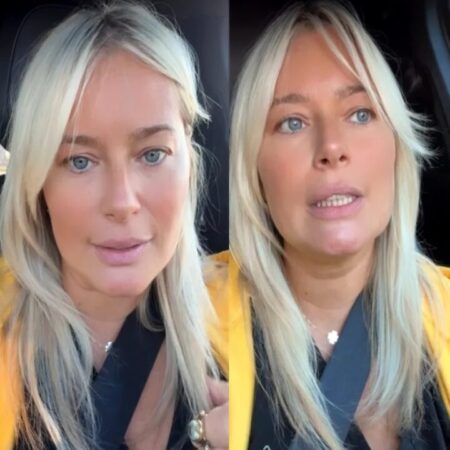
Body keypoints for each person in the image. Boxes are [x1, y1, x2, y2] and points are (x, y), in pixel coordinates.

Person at [0, 2, 228, 449]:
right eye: (80, 161)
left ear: (189, 161)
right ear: (38, 181)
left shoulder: (261, 311)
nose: (122, 203)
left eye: (153, 154)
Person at [228, 2, 449, 449]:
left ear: (396, 145)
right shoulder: (193, 323)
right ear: (255, 170)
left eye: (359, 114)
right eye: (292, 123)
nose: (331, 146)